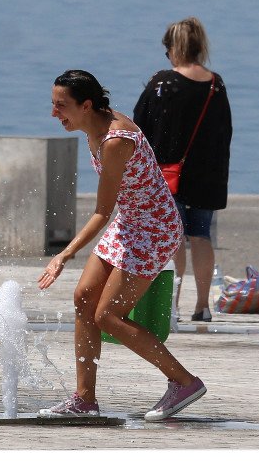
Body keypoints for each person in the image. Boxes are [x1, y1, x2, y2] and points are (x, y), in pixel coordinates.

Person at [37, 70, 206, 421]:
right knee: (84, 298)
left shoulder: (115, 141)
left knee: (108, 316)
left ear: (86, 105)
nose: (55, 113)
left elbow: (101, 211)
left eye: (61, 106)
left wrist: (63, 256)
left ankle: (184, 381)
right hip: (131, 221)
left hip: (154, 229)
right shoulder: (90, 127)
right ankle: (85, 399)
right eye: (53, 105)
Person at [133, 17, 232, 322]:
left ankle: (170, 305)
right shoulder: (216, 83)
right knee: (201, 236)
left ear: (173, 48)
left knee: (173, 238)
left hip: (168, 174)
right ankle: (202, 307)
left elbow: (141, 125)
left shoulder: (163, 82)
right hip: (208, 175)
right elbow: (224, 131)